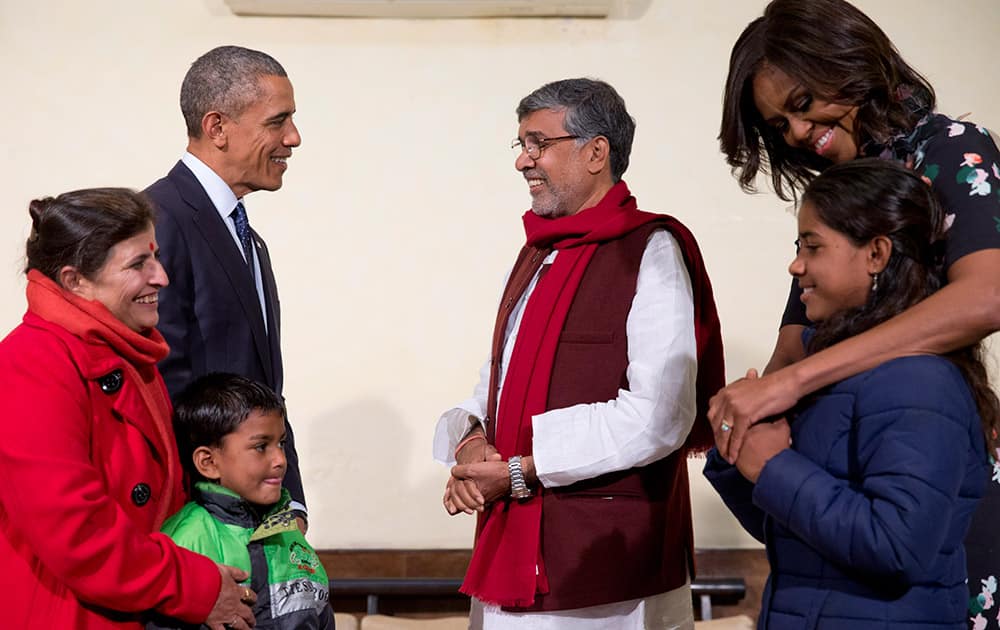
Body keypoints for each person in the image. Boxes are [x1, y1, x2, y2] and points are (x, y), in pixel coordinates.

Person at [713, 1, 1000, 622]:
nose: (793, 131)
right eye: (777, 122)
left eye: (801, 101)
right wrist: (740, 423)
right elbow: (793, 351)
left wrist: (793, 384)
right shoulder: (839, 198)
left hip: (923, 468)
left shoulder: (949, 148)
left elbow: (986, 295)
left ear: (846, 61)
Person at [432, 78, 724, 629]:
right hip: (511, 541)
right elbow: (500, 380)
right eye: (520, 144)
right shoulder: (539, 253)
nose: (523, 160)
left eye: (539, 143)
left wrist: (520, 470)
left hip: (604, 567)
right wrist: (473, 442)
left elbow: (660, 415)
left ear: (596, 152)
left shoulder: (650, 250)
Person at [0, 188, 257, 630]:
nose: (162, 277)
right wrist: (194, 587)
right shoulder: (29, 365)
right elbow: (78, 534)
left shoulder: (126, 352)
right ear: (74, 281)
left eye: (154, 257)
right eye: (138, 264)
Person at [145, 45, 308, 524]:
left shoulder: (248, 239)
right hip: (200, 522)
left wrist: (289, 503)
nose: (293, 138)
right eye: (278, 121)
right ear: (217, 127)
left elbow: (262, 390)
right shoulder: (158, 219)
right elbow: (163, 383)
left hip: (253, 517)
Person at [148, 373, 333, 630]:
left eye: (281, 443)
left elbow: (321, 615)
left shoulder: (289, 532)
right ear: (209, 462)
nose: (280, 459)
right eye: (261, 447)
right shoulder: (187, 539)